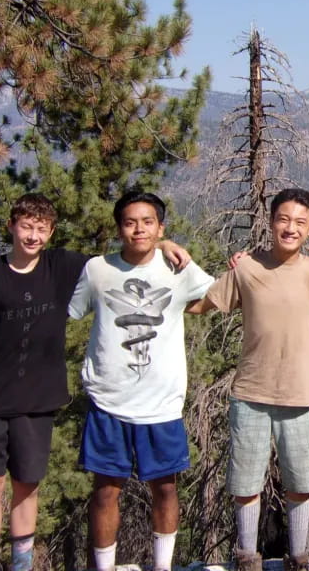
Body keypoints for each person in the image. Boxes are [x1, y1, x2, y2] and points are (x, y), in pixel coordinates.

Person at [0, 192, 189, 571]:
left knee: (27, 487)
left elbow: (129, 252)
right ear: (11, 226)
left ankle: (21, 565)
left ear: (51, 232)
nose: (32, 235)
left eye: (41, 228)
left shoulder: (63, 265)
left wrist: (162, 241)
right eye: (26, 226)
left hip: (37, 398)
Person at [187, 188, 309, 571]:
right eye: (284, 219)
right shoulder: (246, 268)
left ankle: (299, 555)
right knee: (245, 481)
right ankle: (246, 555)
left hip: (300, 394)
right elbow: (203, 302)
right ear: (271, 222)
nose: (290, 228)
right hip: (251, 391)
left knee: (301, 481)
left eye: (300, 222)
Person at [69, 191, 213, 571]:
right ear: (119, 228)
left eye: (148, 222)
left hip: (161, 402)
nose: (139, 229)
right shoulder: (97, 269)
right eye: (131, 222)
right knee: (104, 492)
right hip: (108, 399)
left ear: (160, 227)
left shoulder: (178, 269)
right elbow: (71, 310)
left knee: (165, 489)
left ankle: (163, 566)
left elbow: (215, 296)